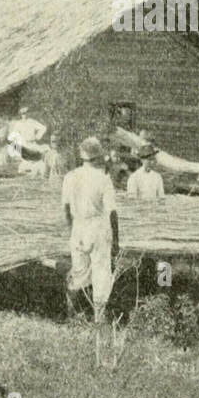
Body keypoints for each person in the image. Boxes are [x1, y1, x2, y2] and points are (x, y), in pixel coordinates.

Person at [61, 137, 120, 324]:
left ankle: (73, 316)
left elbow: (65, 208)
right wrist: (116, 240)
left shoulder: (70, 176)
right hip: (97, 227)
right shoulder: (103, 179)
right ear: (98, 158)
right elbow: (112, 212)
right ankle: (99, 320)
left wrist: (72, 231)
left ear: (83, 157)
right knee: (101, 272)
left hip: (78, 226)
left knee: (79, 271)